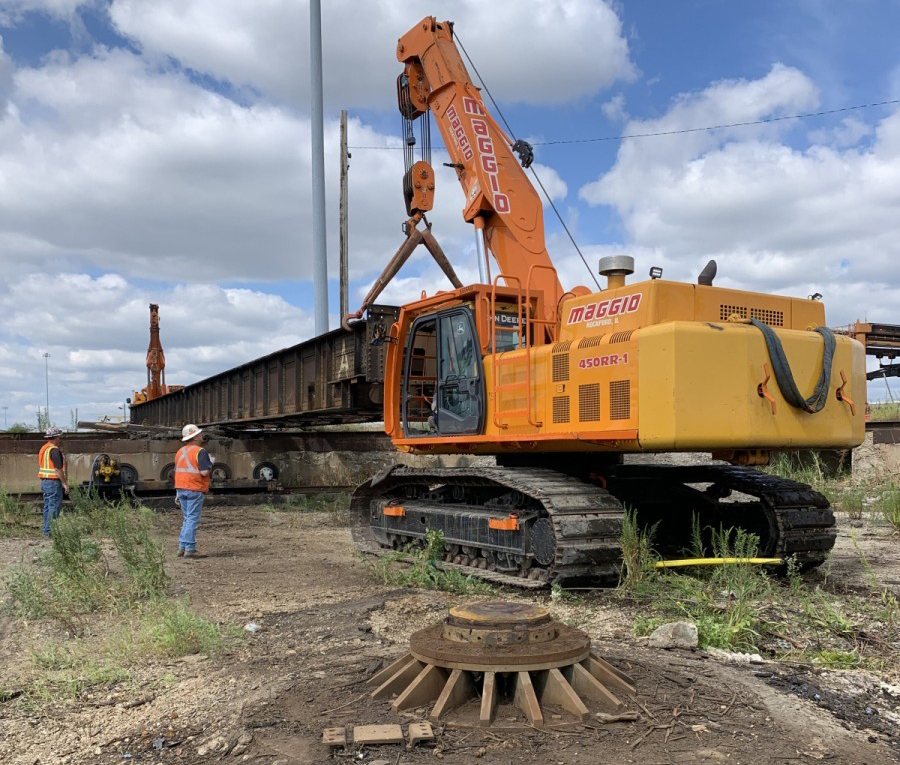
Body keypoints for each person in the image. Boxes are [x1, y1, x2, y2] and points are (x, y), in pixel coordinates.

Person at [174, 423, 212, 558]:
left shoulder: (180, 451)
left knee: (187, 518)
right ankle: (190, 549)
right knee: (192, 519)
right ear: (195, 437)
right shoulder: (200, 452)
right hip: (194, 488)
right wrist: (210, 464)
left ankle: (182, 548)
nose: (201, 436)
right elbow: (204, 472)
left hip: (181, 487)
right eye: (199, 434)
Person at [38, 426, 68, 537]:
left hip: (45, 481)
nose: (60, 439)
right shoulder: (54, 450)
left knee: (47, 506)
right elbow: (57, 469)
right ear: (56, 437)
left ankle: (46, 530)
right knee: (54, 507)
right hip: (53, 482)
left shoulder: (44, 448)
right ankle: (49, 531)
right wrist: (64, 483)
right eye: (59, 436)